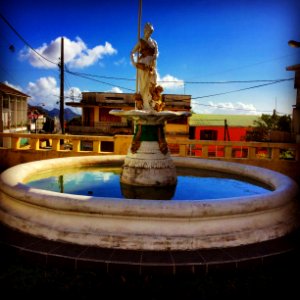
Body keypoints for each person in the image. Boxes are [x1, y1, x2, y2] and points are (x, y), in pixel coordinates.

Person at [131, 22, 163, 111]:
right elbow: (132, 52)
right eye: (148, 31)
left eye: (151, 32)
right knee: (144, 84)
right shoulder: (141, 42)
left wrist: (155, 56)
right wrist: (134, 63)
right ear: (144, 31)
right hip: (143, 65)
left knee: (153, 80)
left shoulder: (154, 42)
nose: (149, 33)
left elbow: (156, 53)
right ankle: (144, 104)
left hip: (152, 64)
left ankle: (152, 102)